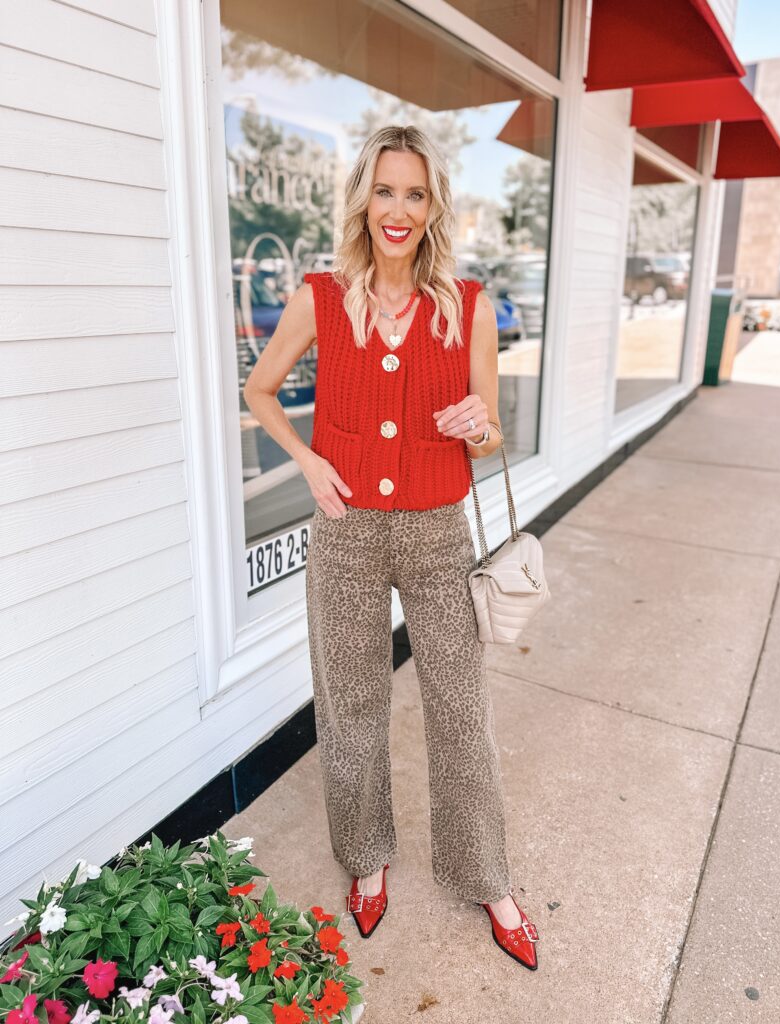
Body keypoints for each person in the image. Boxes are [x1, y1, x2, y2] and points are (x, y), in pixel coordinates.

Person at [243, 124, 539, 970]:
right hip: (345, 534)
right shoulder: (320, 297)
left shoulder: (468, 305)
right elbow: (259, 391)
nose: (398, 210)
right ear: (362, 201)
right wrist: (306, 462)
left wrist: (477, 426)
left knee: (459, 711)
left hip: (437, 530)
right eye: (384, 191)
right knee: (351, 706)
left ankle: (486, 875)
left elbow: (486, 433)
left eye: (414, 193)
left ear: (433, 204)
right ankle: (366, 858)